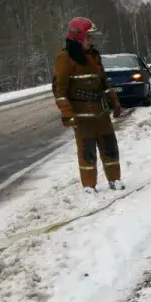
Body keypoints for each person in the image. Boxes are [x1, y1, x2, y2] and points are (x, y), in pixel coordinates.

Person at [52, 17, 125, 193]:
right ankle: (89, 186)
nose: (91, 41)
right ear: (77, 37)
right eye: (88, 37)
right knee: (87, 151)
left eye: (92, 37)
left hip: (101, 113)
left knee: (110, 147)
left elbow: (104, 82)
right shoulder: (65, 58)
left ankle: (114, 179)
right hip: (82, 115)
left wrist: (114, 101)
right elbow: (59, 90)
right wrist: (67, 113)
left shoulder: (94, 56)